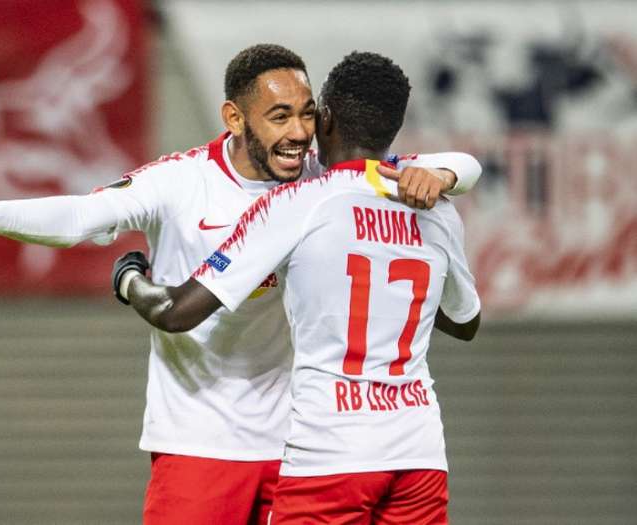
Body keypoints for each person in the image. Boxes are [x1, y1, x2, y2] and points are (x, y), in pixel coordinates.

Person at [0, 44, 482, 525]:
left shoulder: (319, 181)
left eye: (308, 115)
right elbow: (83, 215)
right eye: (280, 116)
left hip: (295, 443)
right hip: (199, 440)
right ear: (235, 118)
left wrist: (445, 175)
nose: (298, 134)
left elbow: (445, 163)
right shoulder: (181, 182)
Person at [112, 51, 480, 524]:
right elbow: (465, 322)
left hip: (332, 453)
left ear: (324, 119)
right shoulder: (436, 206)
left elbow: (176, 312)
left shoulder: (298, 203)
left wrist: (129, 277)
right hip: (419, 453)